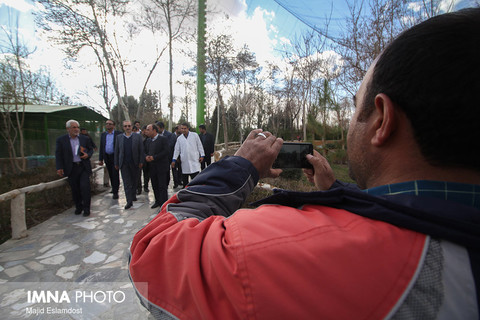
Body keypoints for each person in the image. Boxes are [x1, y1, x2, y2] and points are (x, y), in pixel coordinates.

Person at [129, 9, 480, 320]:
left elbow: (151, 254)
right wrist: (339, 193)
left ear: (382, 120)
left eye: (357, 108)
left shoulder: (277, 248)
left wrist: (240, 166)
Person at [55, 120, 94, 217]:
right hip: (71, 168)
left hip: (83, 166)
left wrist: (87, 155)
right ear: (68, 129)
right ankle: (78, 207)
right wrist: (59, 167)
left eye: (77, 127)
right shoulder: (61, 140)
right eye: (74, 127)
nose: (76, 129)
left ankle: (86, 208)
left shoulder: (84, 139)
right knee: (75, 189)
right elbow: (58, 154)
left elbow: (91, 149)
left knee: (85, 188)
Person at [114, 120, 144, 210]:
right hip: (124, 164)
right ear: (123, 127)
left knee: (135, 181)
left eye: (129, 126)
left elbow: (141, 150)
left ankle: (133, 195)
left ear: (132, 127)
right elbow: (117, 151)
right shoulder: (119, 138)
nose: (127, 128)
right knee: (127, 183)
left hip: (135, 163)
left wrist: (141, 161)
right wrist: (116, 163)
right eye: (125, 126)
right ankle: (129, 201)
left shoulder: (137, 137)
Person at [144, 124, 170, 209]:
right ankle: (157, 201)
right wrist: (146, 157)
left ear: (154, 130)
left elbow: (166, 151)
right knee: (154, 184)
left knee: (162, 186)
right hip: (152, 167)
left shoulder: (163, 139)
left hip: (161, 167)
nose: (146, 131)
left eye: (148, 129)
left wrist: (154, 157)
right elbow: (144, 151)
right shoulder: (147, 141)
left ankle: (163, 203)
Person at [171, 123, 205, 187]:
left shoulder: (194, 135)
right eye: (182, 128)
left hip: (194, 160)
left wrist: (202, 155)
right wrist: (174, 160)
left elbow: (200, 146)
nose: (183, 130)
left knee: (196, 180)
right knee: (185, 182)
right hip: (185, 162)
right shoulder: (179, 139)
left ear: (188, 128)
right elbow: (177, 150)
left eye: (185, 128)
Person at [98, 119, 121, 199]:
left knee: (115, 174)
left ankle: (116, 191)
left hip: (115, 157)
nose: (108, 125)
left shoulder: (118, 134)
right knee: (110, 174)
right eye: (107, 124)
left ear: (113, 126)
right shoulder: (103, 135)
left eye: (110, 124)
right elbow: (101, 147)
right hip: (107, 157)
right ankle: (113, 188)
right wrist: (100, 159)